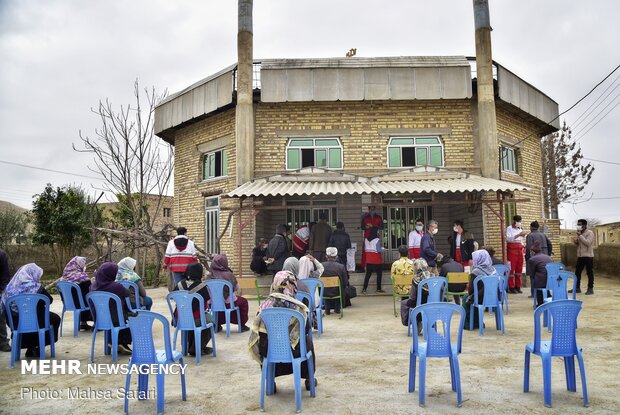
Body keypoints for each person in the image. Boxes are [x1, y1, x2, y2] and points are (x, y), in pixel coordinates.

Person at [248, 271, 317, 392]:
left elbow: (259, 331)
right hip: (293, 351)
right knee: (307, 343)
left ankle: (270, 382)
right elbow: (306, 329)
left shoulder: (264, 306)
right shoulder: (297, 307)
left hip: (269, 350)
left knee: (265, 342)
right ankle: (309, 379)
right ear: (293, 285)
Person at [1, 263, 61, 357]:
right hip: (37, 322)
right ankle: (39, 346)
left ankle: (30, 347)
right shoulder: (36, 287)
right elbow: (49, 300)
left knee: (30, 320)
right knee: (54, 319)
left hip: (16, 324)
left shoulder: (9, 288)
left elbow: (3, 307)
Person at [90, 262, 132, 354]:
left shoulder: (93, 286)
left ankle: (115, 342)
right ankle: (120, 342)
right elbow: (127, 293)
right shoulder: (116, 286)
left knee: (116, 309)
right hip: (116, 320)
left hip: (99, 319)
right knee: (130, 317)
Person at [173, 262, 214, 356]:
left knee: (191, 321)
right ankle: (197, 348)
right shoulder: (202, 287)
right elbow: (207, 304)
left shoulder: (179, 285)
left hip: (180, 319)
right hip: (196, 319)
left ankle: (190, 346)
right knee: (210, 321)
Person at [208, 254, 250, 332]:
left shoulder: (209, 276)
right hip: (228, 303)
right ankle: (242, 325)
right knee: (243, 301)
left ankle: (217, 324)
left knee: (219, 304)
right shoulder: (229, 275)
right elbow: (237, 288)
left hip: (212, 304)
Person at [464, 250, 499, 329]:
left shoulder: (476, 271)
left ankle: (471, 324)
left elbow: (470, 291)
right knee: (473, 297)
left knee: (466, 298)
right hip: (495, 298)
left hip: (481, 299)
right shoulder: (493, 270)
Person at [399, 258, 432, 334]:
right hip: (432, 303)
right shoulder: (432, 277)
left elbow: (413, 297)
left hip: (419, 304)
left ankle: (415, 323)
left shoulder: (416, 279)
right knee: (420, 303)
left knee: (406, 303)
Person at [60, 256, 93, 330]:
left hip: (68, 304)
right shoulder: (82, 276)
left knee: (81, 297)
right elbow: (90, 289)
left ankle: (83, 322)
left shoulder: (64, 277)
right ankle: (97, 324)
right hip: (81, 304)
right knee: (95, 299)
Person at [321, 247, 349, 314]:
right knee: (340, 288)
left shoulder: (321, 265)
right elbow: (345, 282)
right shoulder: (341, 266)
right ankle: (337, 309)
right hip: (337, 291)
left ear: (326, 256)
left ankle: (327, 309)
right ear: (336, 257)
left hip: (324, 291)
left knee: (326, 288)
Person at [527, 240, 553, 307]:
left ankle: (540, 303)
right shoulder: (548, 257)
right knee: (543, 278)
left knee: (536, 280)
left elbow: (532, 273)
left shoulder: (532, 259)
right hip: (551, 280)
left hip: (541, 282)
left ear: (532, 252)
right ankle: (548, 298)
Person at [574, 219, 595, 295]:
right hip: (580, 256)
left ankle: (590, 288)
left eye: (580, 224)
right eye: (578, 224)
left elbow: (588, 243)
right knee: (577, 273)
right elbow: (578, 244)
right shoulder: (580, 233)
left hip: (588, 256)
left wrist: (580, 236)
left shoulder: (590, 233)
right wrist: (576, 240)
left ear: (585, 225)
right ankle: (577, 288)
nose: (579, 226)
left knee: (589, 273)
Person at [506, 215, 526, 294]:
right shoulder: (509, 228)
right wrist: (518, 235)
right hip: (512, 249)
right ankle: (511, 287)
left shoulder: (520, 228)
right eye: (518, 221)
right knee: (511, 268)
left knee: (519, 268)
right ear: (514, 221)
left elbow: (522, 239)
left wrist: (523, 244)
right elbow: (508, 239)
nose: (519, 223)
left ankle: (518, 286)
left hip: (519, 248)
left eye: (520, 221)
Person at [362, 226, 384, 294]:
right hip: (377, 260)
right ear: (376, 232)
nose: (378, 232)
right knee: (379, 275)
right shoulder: (377, 240)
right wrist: (383, 249)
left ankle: (364, 289)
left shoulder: (366, 239)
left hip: (369, 260)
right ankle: (378, 289)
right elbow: (378, 250)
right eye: (378, 231)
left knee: (368, 275)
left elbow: (365, 249)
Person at [0, 248, 13, 351]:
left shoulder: (1, 254)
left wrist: (2, 289)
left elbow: (5, 274)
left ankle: (3, 342)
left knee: (1, 315)